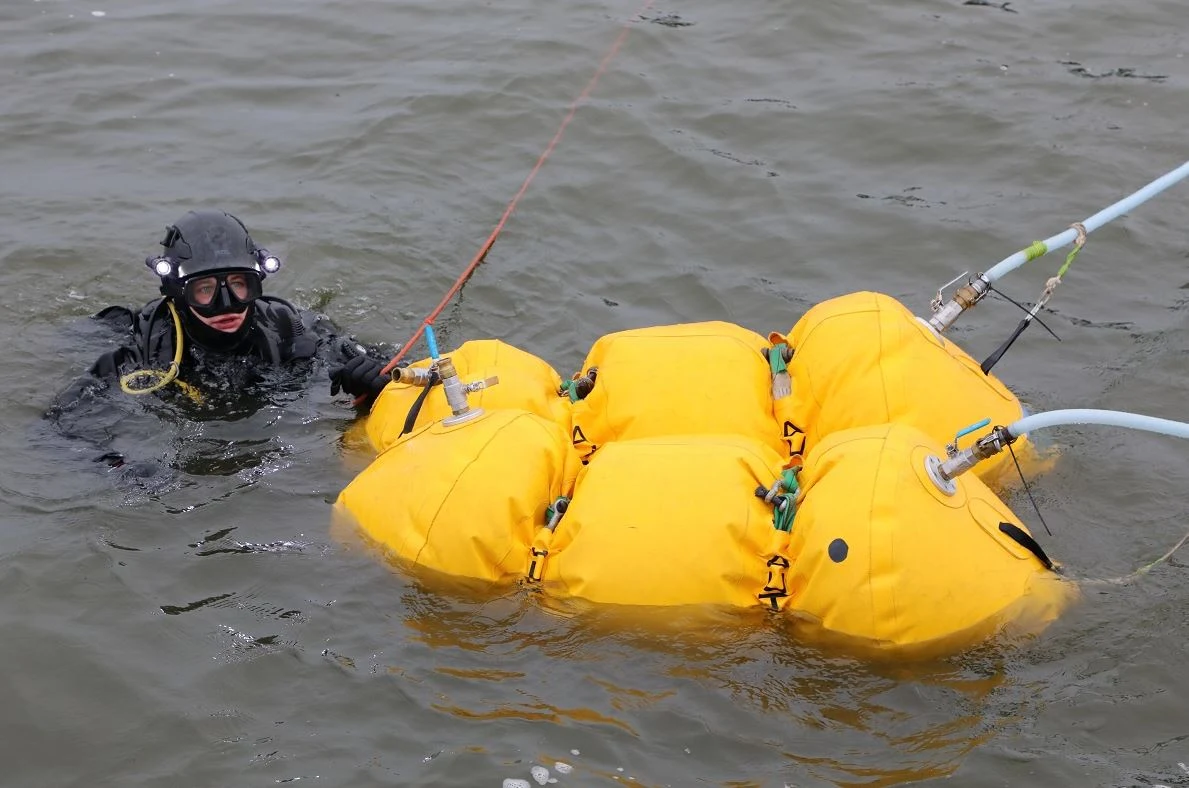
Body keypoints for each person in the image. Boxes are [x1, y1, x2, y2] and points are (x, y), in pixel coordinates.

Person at [47, 209, 394, 471]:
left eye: (239, 285)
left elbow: (390, 366)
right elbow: (61, 426)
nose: (226, 304)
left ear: (257, 284)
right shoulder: (148, 348)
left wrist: (372, 385)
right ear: (178, 293)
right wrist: (118, 467)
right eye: (205, 290)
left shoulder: (290, 328)